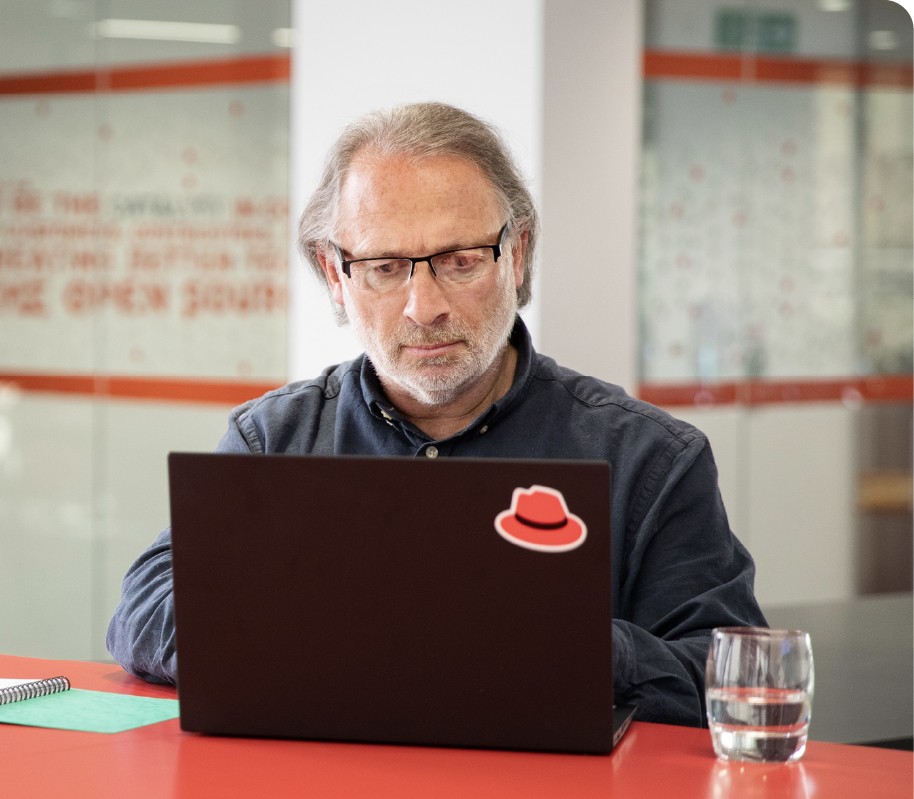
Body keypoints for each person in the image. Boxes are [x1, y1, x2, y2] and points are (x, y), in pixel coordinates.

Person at [105, 102, 764, 727]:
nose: (425, 306)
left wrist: (545, 641)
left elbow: (730, 675)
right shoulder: (275, 439)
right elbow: (145, 613)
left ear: (519, 253)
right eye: (385, 267)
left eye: (459, 262)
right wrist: (372, 627)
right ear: (334, 274)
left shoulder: (649, 459)